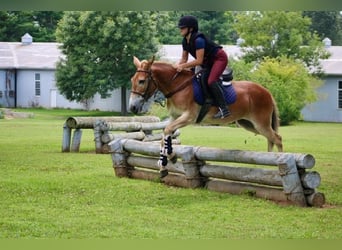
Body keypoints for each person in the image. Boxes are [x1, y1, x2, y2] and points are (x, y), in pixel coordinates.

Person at [174, 15, 230, 119]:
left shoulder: (198, 40)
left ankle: (224, 109)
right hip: (207, 61)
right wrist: (175, 67)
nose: (180, 30)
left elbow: (198, 61)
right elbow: (184, 59)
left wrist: (183, 66)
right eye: (180, 28)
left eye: (182, 28)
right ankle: (208, 102)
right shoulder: (185, 41)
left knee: (211, 81)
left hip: (219, 58)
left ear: (191, 28)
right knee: (202, 78)